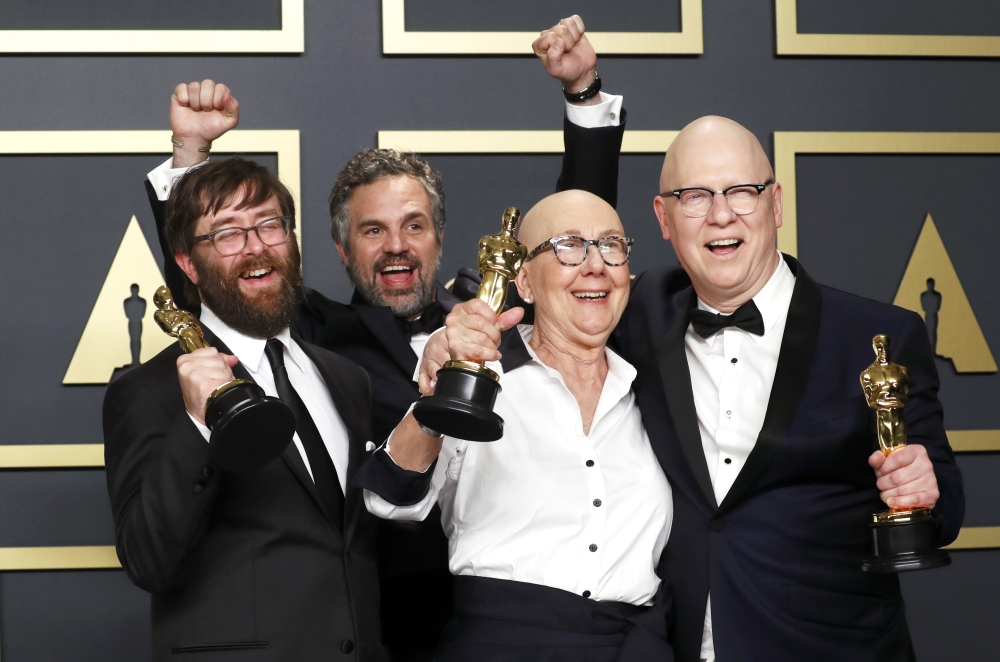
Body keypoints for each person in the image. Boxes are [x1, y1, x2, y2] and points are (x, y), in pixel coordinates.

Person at [143, 16, 629, 659]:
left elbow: (578, 235)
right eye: (374, 231)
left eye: (414, 226)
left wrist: (583, 94)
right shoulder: (313, 340)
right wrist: (190, 159)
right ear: (342, 250)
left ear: (440, 236)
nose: (397, 246)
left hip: (508, 624)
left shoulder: (497, 314)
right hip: (377, 628)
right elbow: (215, 286)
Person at [422, 115, 965, 661]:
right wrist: (452, 344)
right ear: (663, 218)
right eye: (695, 196)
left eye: (741, 192)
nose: (721, 214)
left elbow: (940, 497)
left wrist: (925, 487)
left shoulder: (877, 337)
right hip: (674, 646)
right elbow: (559, 275)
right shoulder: (637, 313)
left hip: (830, 646)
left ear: (776, 204)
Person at [355, 190, 674, 661]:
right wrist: (439, 393)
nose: (595, 265)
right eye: (568, 246)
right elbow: (389, 500)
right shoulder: (482, 377)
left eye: (611, 245)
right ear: (523, 280)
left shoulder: (651, 391)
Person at [104, 157, 386, 660]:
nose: (256, 246)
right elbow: (148, 562)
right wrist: (197, 425)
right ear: (189, 264)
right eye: (227, 233)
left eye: (269, 224)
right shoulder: (149, 389)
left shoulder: (347, 380)